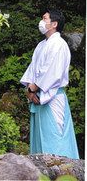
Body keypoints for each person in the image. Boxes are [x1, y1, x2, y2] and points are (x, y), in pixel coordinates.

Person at [20, 9, 79, 158]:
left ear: (54, 24)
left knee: (55, 138)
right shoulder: (41, 45)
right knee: (40, 140)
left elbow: (52, 72)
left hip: (52, 98)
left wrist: (34, 87)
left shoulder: (59, 44)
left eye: (44, 19)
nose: (41, 22)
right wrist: (29, 89)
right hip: (37, 96)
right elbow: (33, 69)